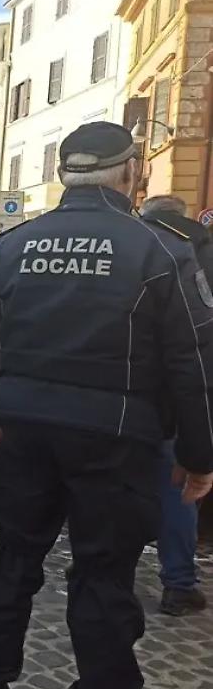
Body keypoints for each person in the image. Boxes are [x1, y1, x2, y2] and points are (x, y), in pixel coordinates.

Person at [0, 121, 213, 689]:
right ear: (131, 172)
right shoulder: (159, 250)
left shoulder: (12, 246)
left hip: (23, 430)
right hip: (116, 437)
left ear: (64, 174)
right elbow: (193, 360)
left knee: (11, 558)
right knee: (104, 575)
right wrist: (198, 454)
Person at [140, 194, 211, 616]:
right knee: (180, 488)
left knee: (120, 483)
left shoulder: (135, 246)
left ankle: (104, 568)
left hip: (129, 390)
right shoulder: (204, 248)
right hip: (188, 391)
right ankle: (179, 584)